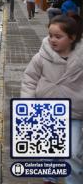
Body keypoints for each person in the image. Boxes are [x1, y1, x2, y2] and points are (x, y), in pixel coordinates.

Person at [21, 15, 83, 184]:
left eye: (58, 36)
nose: (52, 40)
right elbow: (29, 79)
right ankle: (49, 179)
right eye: (50, 35)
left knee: (73, 152)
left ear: (72, 38)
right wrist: (27, 104)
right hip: (47, 111)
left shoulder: (80, 58)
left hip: (74, 113)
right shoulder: (41, 57)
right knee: (49, 152)